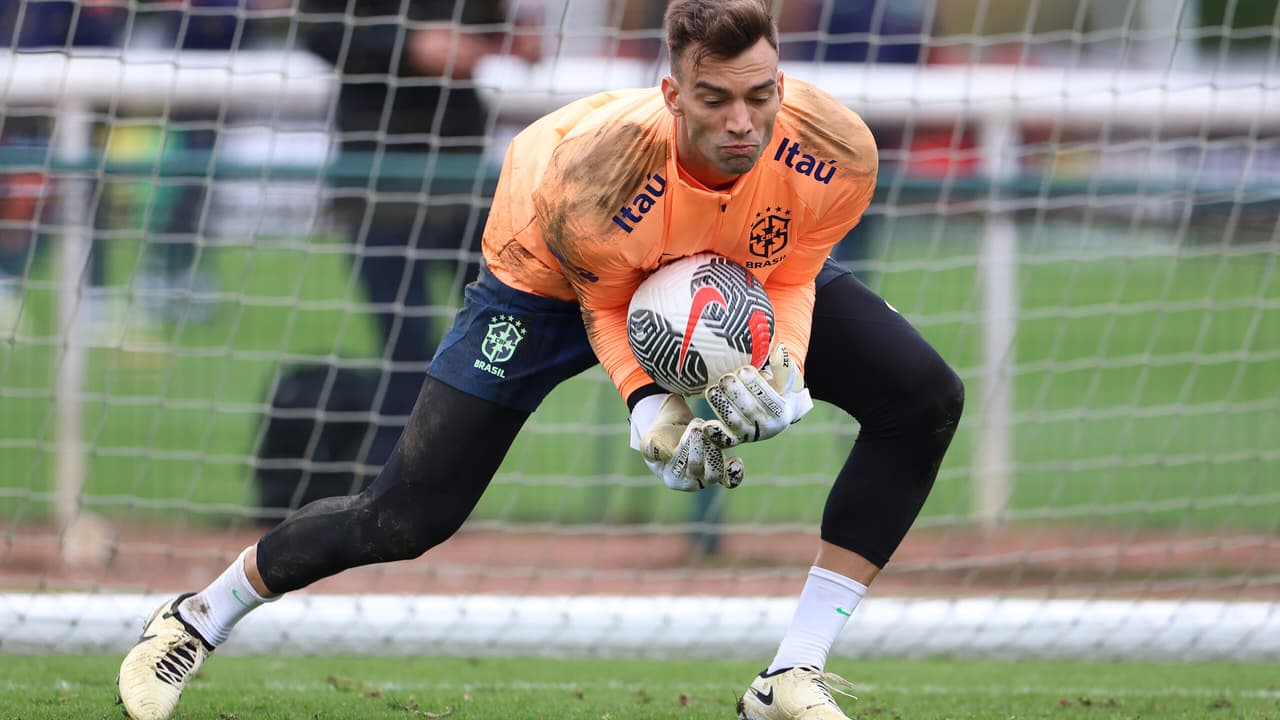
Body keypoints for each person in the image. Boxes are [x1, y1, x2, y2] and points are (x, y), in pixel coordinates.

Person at [115, 1, 964, 718]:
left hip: (725, 261)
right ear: (673, 94)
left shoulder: (837, 151)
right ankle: (195, 618)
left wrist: (785, 357)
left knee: (922, 397)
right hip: (551, 274)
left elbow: (795, 267)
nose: (742, 122)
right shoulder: (601, 175)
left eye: (760, 96)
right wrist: (646, 406)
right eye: (715, 99)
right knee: (409, 513)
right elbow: (607, 300)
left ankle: (790, 675)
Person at [296, 0, 539, 474]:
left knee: (497, 335)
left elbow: (498, 28)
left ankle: (450, 471)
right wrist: (409, 44)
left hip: (463, 172)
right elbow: (318, 31)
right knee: (406, 344)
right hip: (380, 177)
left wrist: (513, 41)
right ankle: (388, 482)